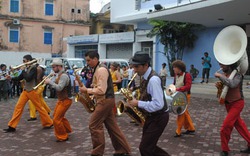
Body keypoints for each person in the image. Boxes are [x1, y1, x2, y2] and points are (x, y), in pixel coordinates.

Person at [79, 51, 131, 156]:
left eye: (89, 60)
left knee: (94, 125)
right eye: (86, 60)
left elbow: (102, 90)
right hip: (107, 100)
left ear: (95, 59)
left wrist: (87, 90)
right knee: (112, 127)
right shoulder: (98, 69)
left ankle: (97, 153)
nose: (87, 63)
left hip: (105, 100)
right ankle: (123, 149)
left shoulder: (101, 70)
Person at [127, 52, 170, 156]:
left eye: (136, 66)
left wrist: (138, 103)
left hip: (158, 117)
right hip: (152, 116)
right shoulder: (145, 76)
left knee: (145, 148)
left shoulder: (153, 80)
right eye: (133, 66)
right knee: (149, 146)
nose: (134, 69)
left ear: (146, 65)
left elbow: (158, 104)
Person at [3, 55, 53, 133]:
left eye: (24, 61)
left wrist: (23, 71)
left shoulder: (33, 68)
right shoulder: (27, 68)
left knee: (39, 107)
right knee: (18, 107)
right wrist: (11, 78)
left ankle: (48, 122)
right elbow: (20, 78)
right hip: (26, 90)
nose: (23, 62)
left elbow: (28, 78)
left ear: (29, 60)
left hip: (32, 90)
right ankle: (12, 126)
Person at [214, 63, 250, 156]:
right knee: (240, 125)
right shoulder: (224, 75)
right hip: (228, 104)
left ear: (229, 65)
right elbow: (225, 88)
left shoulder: (238, 75)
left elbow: (232, 84)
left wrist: (220, 76)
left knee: (225, 126)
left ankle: (225, 150)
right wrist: (219, 86)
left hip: (237, 103)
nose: (221, 67)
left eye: (223, 65)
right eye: (220, 65)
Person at [44, 58, 72, 142]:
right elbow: (55, 85)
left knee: (56, 119)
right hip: (61, 100)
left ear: (59, 66)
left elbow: (59, 88)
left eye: (53, 67)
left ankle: (63, 136)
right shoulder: (59, 74)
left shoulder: (63, 76)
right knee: (59, 116)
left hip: (65, 100)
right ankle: (67, 130)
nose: (52, 68)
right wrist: (50, 80)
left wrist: (50, 82)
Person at [172, 60, 195, 137]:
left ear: (179, 68)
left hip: (185, 96)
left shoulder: (187, 75)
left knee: (180, 112)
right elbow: (174, 84)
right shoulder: (176, 75)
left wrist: (178, 89)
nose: (173, 69)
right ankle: (191, 128)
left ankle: (178, 131)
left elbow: (188, 86)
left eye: (174, 67)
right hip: (178, 96)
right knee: (184, 112)